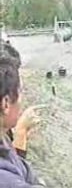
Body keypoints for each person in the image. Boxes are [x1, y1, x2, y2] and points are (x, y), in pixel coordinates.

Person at [0, 54, 45, 187]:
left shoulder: (3, 135)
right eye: (20, 92)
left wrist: (20, 133)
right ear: (6, 103)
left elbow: (17, 168)